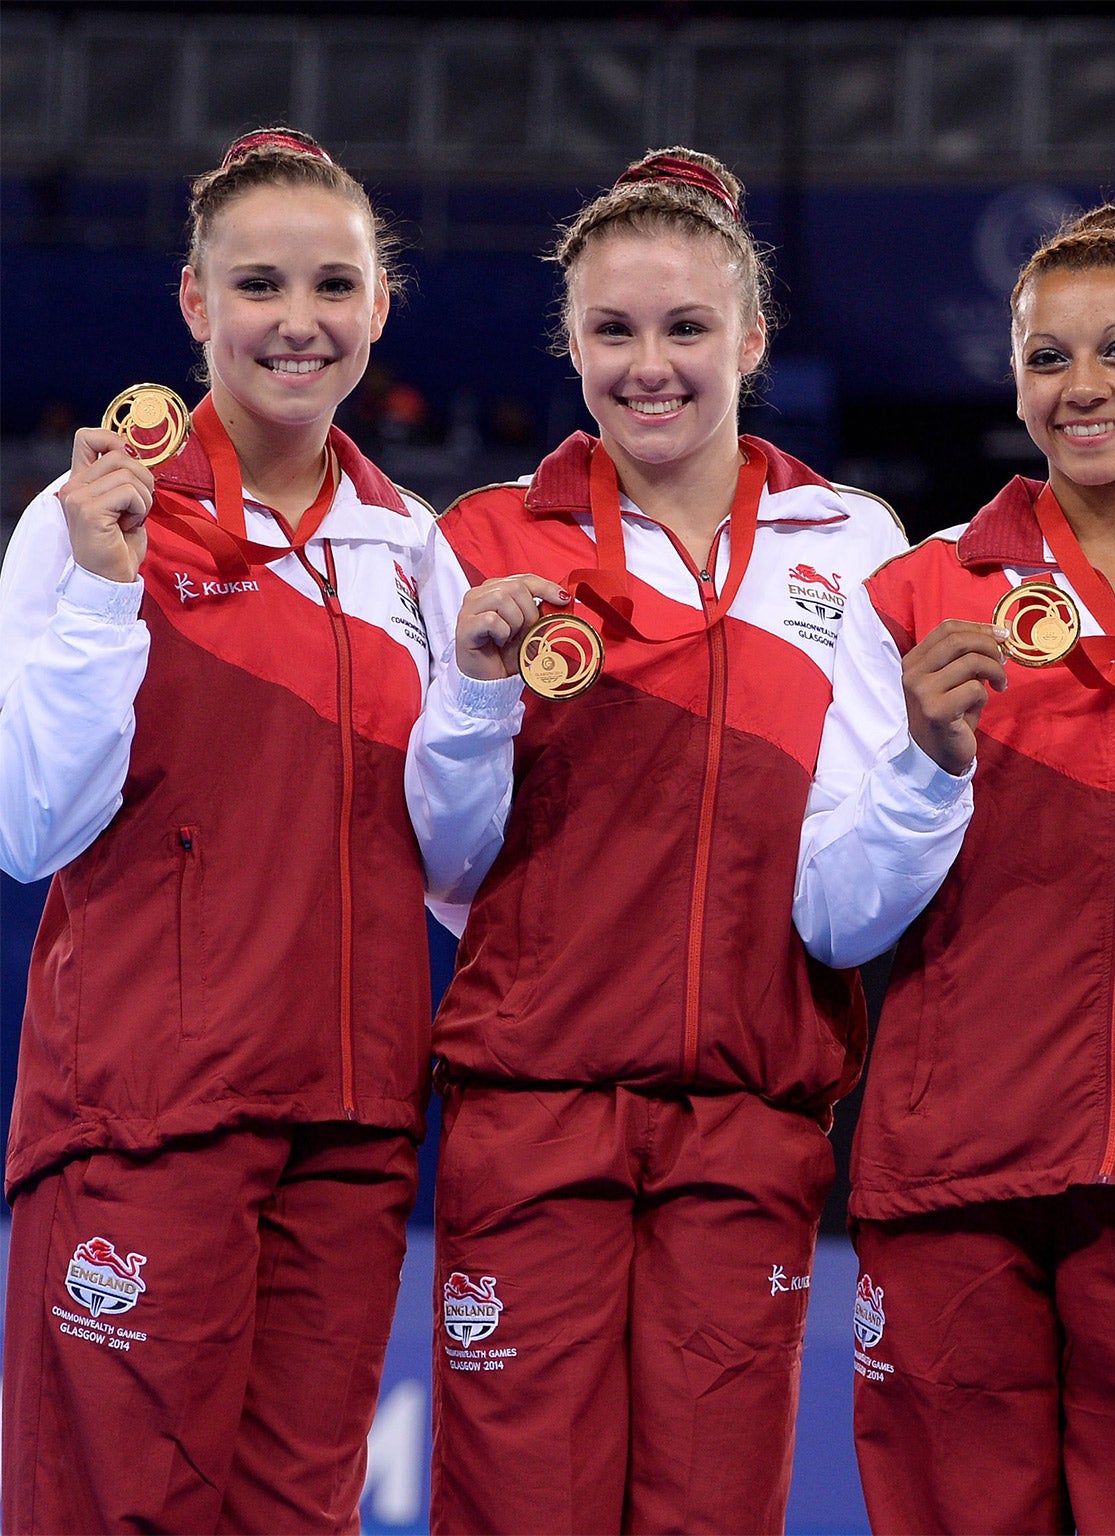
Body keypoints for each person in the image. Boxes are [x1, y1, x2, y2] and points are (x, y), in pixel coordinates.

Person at [794, 204, 1115, 1534]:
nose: (1083, 389)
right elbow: (835, 918)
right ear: (1015, 375)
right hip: (949, 1180)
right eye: (1048, 358)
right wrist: (924, 758)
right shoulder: (917, 597)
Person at [407, 146, 906, 1533]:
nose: (651, 365)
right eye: (614, 330)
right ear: (569, 343)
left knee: (711, 1511)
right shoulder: (488, 539)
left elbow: (853, 878)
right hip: (535, 1107)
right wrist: (471, 688)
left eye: (686, 328)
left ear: (751, 335)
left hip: (753, 1119)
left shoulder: (857, 547)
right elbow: (448, 863)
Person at [0, 128, 435, 1532]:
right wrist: (98, 594)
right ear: (195, 306)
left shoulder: (415, 548)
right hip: (147, 1117)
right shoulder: (86, 523)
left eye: (332, 287)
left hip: (353, 1133)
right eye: (258, 286)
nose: (297, 323)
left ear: (382, 304)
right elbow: (28, 826)